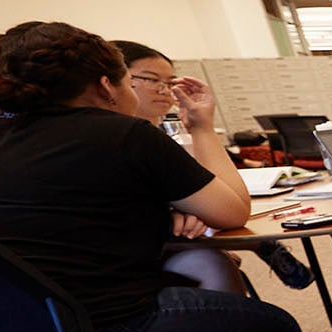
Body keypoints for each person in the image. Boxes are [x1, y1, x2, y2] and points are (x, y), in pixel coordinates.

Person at [0, 21, 302, 332]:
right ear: (106, 86)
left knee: (176, 328)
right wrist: (202, 128)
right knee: (276, 328)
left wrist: (167, 207)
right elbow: (232, 211)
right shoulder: (124, 134)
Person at [112, 40, 313, 296]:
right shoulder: (124, 138)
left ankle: (257, 245)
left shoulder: (162, 133)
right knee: (218, 253)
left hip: (184, 231)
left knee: (212, 218)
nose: (165, 90)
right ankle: (260, 245)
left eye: (171, 82)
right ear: (115, 81)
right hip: (140, 255)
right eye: (152, 80)